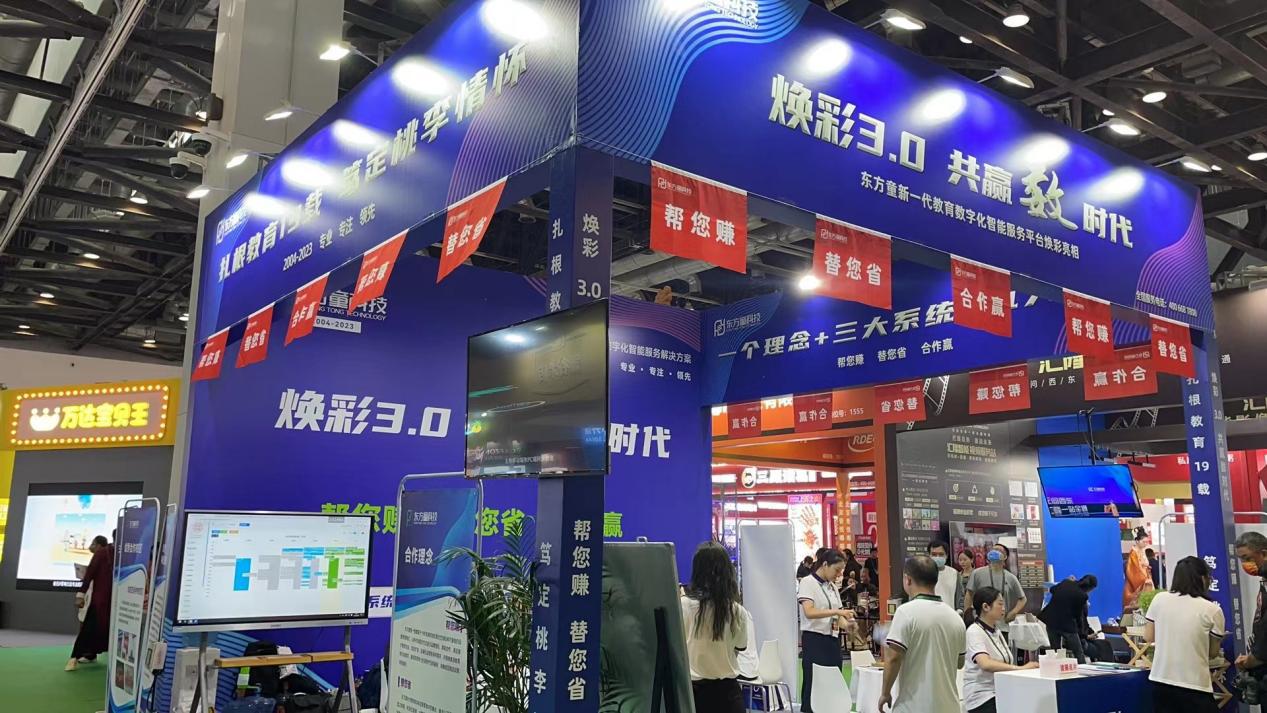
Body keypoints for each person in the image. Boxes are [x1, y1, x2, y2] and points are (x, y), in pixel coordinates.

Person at [879, 556, 966, 713]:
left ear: (908, 579)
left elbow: (893, 658)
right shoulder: (955, 618)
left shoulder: (905, 612)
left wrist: (885, 693)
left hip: (913, 706)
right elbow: (959, 663)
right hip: (950, 706)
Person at [1144, 556, 1226, 713]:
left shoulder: (1159, 599)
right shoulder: (1212, 610)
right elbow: (1213, 652)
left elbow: (1148, 637)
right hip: (1195, 685)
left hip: (1160, 680)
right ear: (1203, 578)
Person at [680, 542, 749, 713]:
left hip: (693, 696)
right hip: (728, 696)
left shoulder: (683, 606)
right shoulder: (736, 610)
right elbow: (739, 648)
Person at [963, 587, 1040, 713]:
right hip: (982, 697)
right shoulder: (974, 631)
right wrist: (1020, 669)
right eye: (1000, 604)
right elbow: (985, 663)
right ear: (986, 607)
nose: (1004, 608)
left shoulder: (996, 631)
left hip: (1000, 691)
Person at [798, 548, 855, 712]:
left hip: (833, 641)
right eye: (837, 570)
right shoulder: (807, 583)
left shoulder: (833, 587)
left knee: (833, 683)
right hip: (814, 640)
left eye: (841, 571)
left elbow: (838, 617)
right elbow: (809, 612)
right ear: (825, 564)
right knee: (814, 684)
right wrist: (837, 612)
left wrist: (848, 625)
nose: (839, 574)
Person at [67, 534, 113, 671]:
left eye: (93, 544)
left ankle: (89, 654)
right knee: (89, 627)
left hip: (111, 601)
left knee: (98, 628)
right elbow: (89, 575)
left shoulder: (117, 554)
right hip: (99, 600)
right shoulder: (103, 553)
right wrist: (80, 595)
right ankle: (78, 656)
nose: (90, 547)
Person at [965, 544, 1026, 634]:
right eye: (993, 549)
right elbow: (969, 594)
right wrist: (967, 613)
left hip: (1002, 626)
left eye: (999, 550)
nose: (995, 552)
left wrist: (1013, 612)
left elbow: (1023, 599)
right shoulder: (977, 573)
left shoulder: (1011, 577)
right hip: (979, 625)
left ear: (1005, 557)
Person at [1037, 575, 1096, 663]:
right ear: (1091, 588)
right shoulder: (1083, 596)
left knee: (1055, 652)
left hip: (1051, 621)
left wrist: (1065, 583)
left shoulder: (1066, 582)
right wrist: (1083, 634)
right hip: (1067, 625)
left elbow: (1052, 589)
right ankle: (1082, 668)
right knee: (1078, 652)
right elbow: (1079, 616)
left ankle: (1055, 669)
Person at [1233, 531, 1267, 677]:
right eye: (1241, 560)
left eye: (1247, 558)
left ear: (1264, 554)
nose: (1245, 565)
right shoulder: (1264, 582)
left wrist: (1251, 660)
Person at [1123, 527, 1154, 612]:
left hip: (1146, 578)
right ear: (1137, 541)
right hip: (1138, 582)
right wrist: (1144, 579)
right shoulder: (1133, 553)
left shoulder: (1141, 551)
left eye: (1146, 542)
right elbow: (1134, 570)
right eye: (1143, 542)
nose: (1145, 544)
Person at [928, 541, 963, 613]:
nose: (937, 557)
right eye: (934, 554)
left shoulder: (954, 573)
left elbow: (960, 596)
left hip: (950, 615)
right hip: (928, 615)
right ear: (929, 555)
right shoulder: (922, 573)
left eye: (941, 554)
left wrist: (959, 611)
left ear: (946, 555)